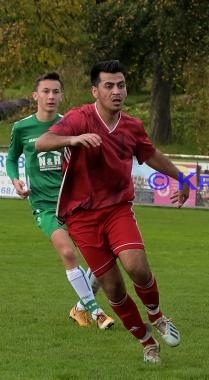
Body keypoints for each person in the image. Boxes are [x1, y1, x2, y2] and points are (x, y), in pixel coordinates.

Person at [35, 60, 189, 363]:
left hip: (118, 209)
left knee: (137, 266)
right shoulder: (79, 118)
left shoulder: (132, 125)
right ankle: (147, 343)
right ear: (96, 91)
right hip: (81, 217)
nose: (116, 91)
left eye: (121, 85)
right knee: (113, 287)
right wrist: (72, 140)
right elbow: (43, 142)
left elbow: (151, 154)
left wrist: (181, 177)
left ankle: (157, 316)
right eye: (109, 85)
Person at [6, 72, 114, 329]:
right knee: (68, 252)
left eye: (56, 92)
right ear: (36, 96)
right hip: (44, 204)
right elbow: (11, 159)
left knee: (105, 257)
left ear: (62, 95)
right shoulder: (22, 128)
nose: (51, 96)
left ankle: (79, 308)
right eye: (45, 91)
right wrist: (15, 179)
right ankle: (97, 313)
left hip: (75, 202)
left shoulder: (71, 125)